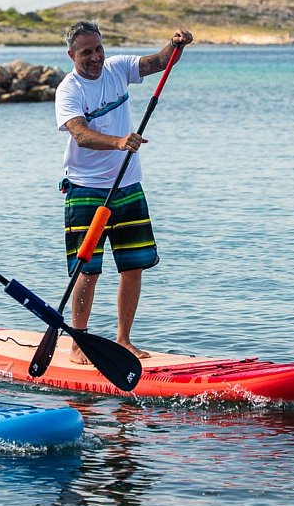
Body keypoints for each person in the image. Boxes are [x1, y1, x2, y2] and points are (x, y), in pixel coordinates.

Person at [55, 20, 193, 363]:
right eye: (87, 52)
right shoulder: (68, 90)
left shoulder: (117, 68)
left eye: (99, 49)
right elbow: (81, 134)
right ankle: (78, 343)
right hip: (86, 189)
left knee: (133, 266)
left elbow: (160, 62)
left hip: (129, 185)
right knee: (88, 269)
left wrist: (176, 44)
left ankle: (124, 340)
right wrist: (119, 142)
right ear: (72, 54)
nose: (95, 57)